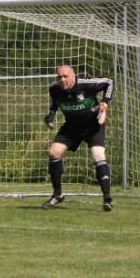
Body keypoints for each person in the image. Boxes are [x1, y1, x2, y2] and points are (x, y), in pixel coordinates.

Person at [42, 65, 114, 211]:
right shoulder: (55, 89)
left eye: (65, 76)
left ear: (73, 76)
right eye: (59, 77)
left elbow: (109, 82)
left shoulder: (86, 84)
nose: (62, 79)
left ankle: (107, 198)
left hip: (93, 125)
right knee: (53, 152)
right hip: (72, 126)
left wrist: (104, 104)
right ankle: (57, 195)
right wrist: (51, 113)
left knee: (98, 155)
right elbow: (55, 100)